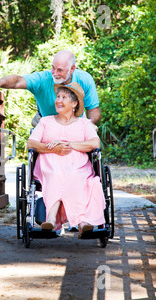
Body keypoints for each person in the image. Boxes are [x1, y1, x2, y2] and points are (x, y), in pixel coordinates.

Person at [26, 82, 105, 238]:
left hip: (78, 165)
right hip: (49, 162)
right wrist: (52, 148)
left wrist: (69, 144)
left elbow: (95, 143)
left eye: (64, 97)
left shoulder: (84, 123)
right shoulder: (45, 121)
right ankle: (50, 219)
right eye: (57, 97)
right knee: (56, 172)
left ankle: (82, 223)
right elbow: (31, 143)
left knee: (73, 174)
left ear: (74, 103)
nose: (58, 100)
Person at [0, 50, 101, 126]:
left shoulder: (85, 79)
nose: (55, 73)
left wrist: (87, 125)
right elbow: (18, 81)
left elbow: (94, 110)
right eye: (53, 68)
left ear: (72, 69)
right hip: (45, 123)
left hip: (75, 124)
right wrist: (0, 82)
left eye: (60, 70)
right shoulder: (42, 79)